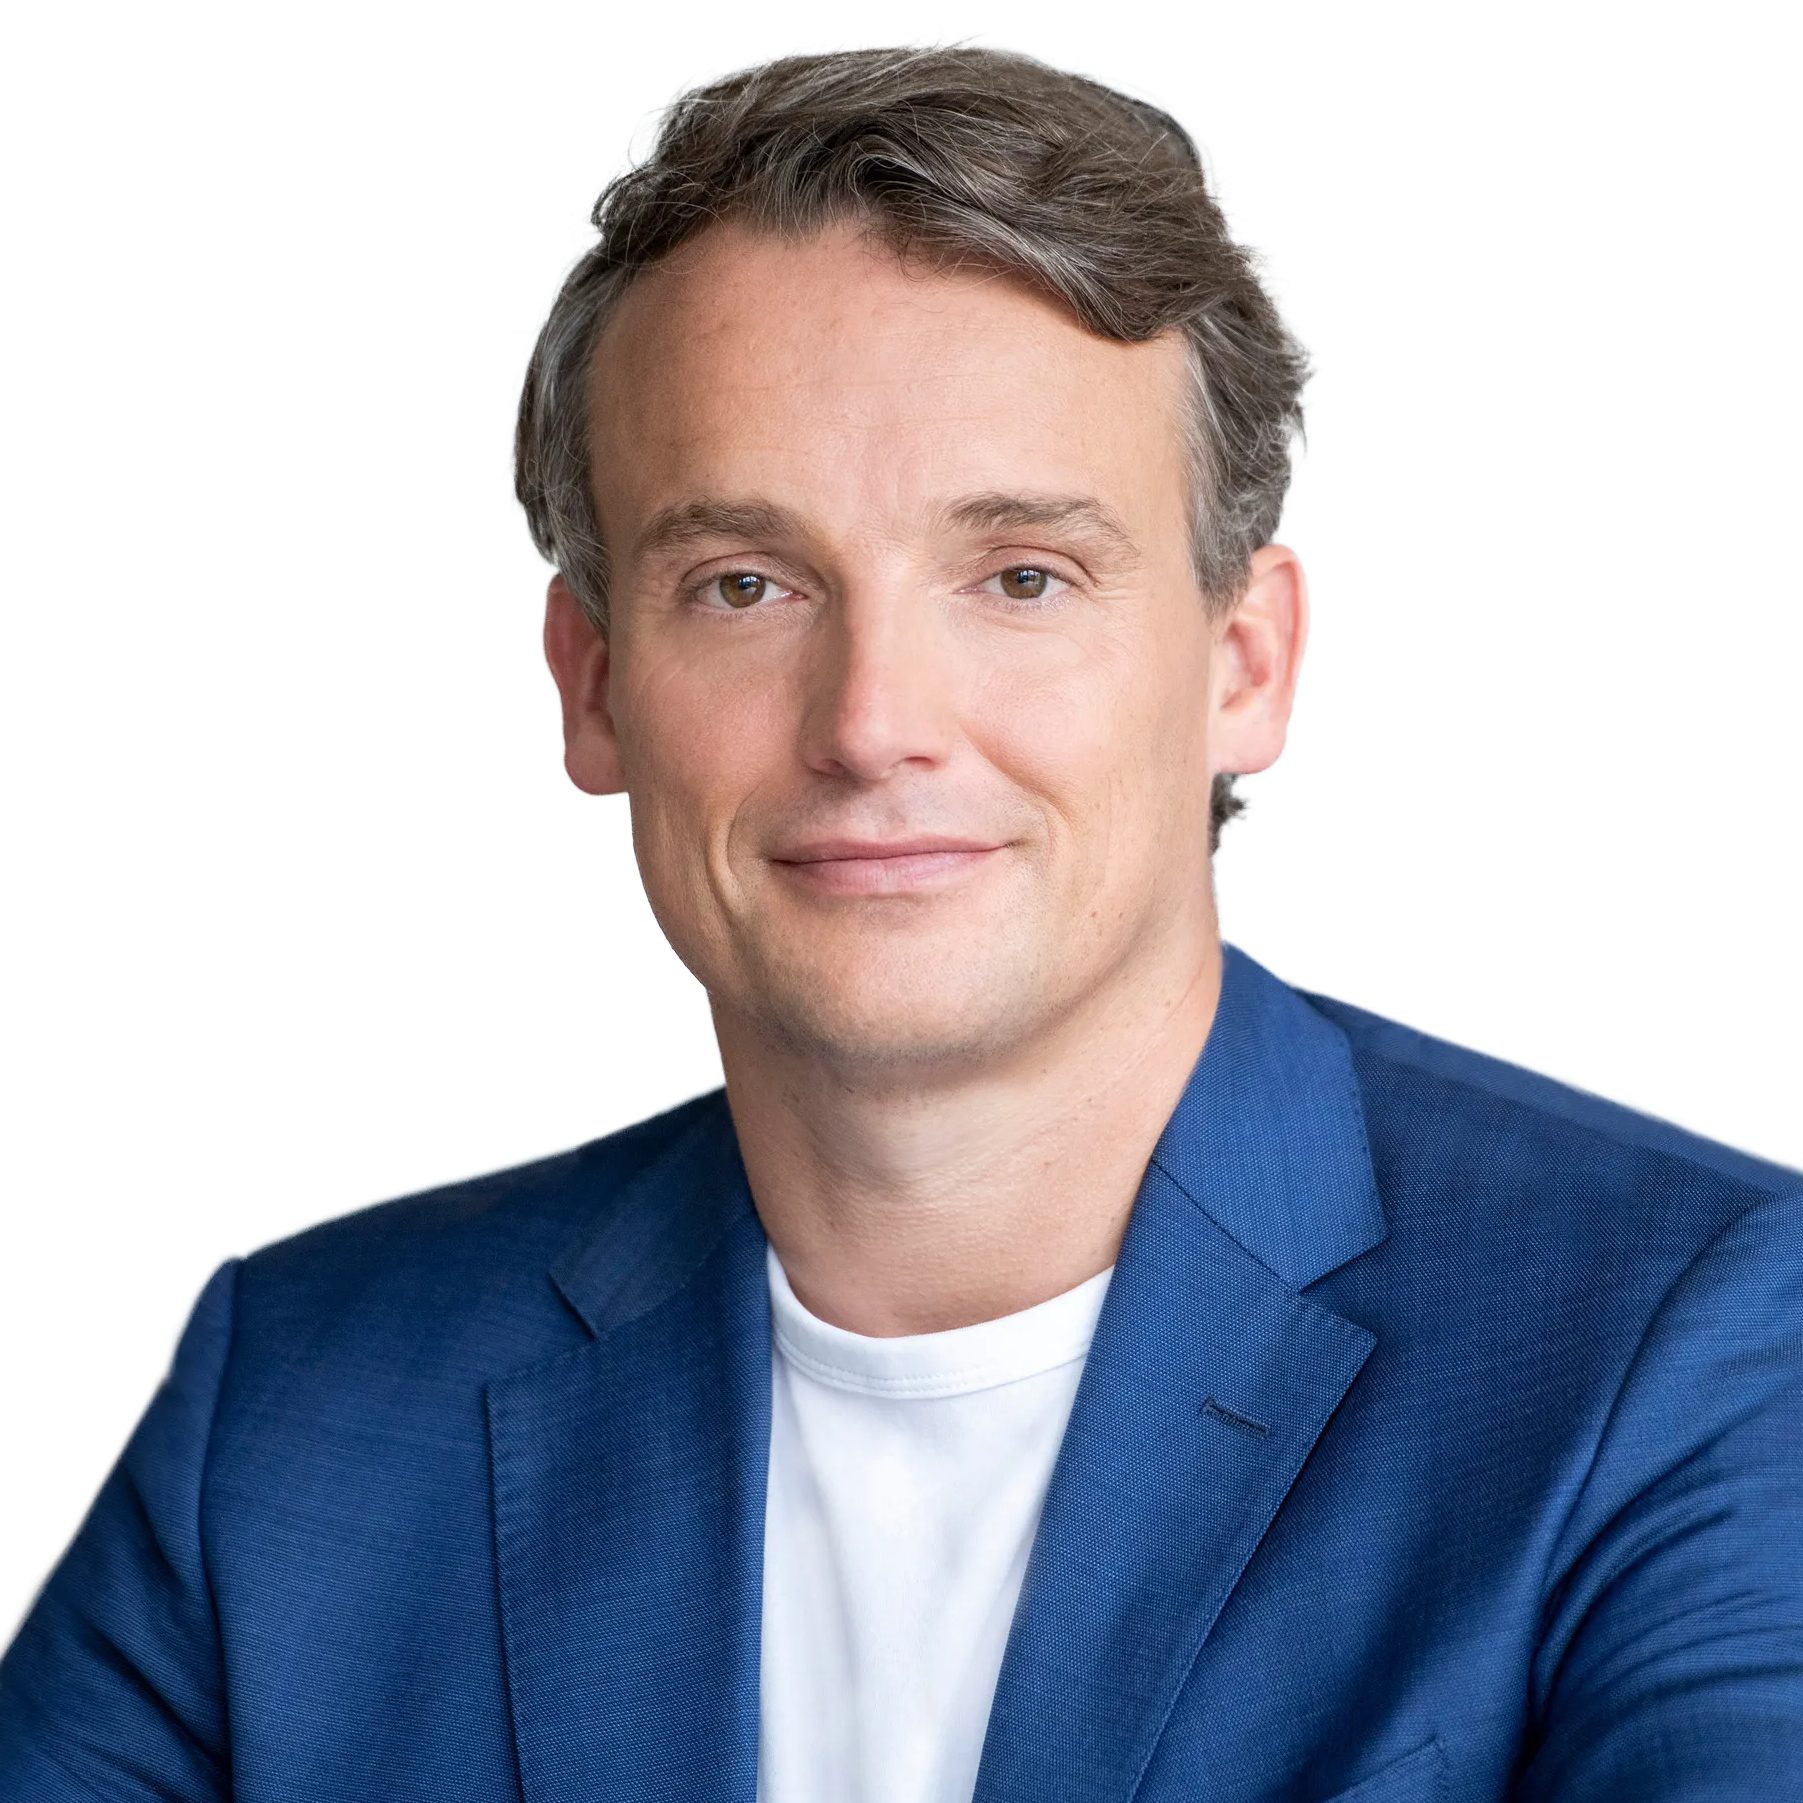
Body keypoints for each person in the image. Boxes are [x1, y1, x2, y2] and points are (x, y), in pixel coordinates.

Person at [2, 41, 1798, 1803]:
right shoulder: (299, 1405)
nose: (872, 723)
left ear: (1244, 665)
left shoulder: (1692, 1348)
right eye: (746, 585)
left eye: (1021, 576)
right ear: (596, 683)